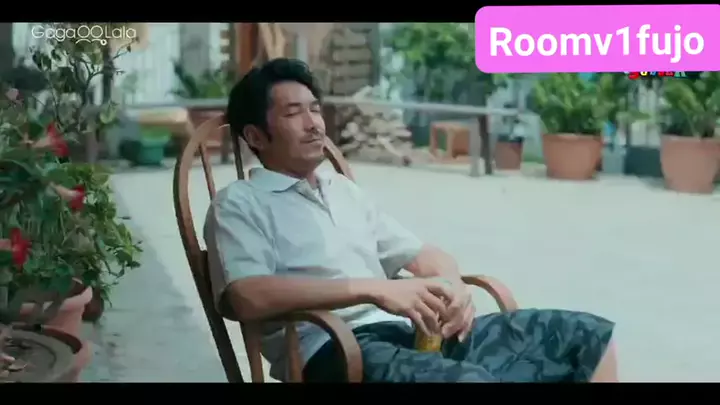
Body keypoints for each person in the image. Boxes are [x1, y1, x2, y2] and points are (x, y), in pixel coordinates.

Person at [204, 58, 618, 383]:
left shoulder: (341, 190)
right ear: (255, 136)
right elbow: (246, 296)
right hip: (336, 353)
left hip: (411, 334)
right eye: (294, 113)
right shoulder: (240, 204)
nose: (314, 124)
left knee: (586, 336)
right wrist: (374, 290)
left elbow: (424, 256)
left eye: (315, 109)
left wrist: (453, 288)